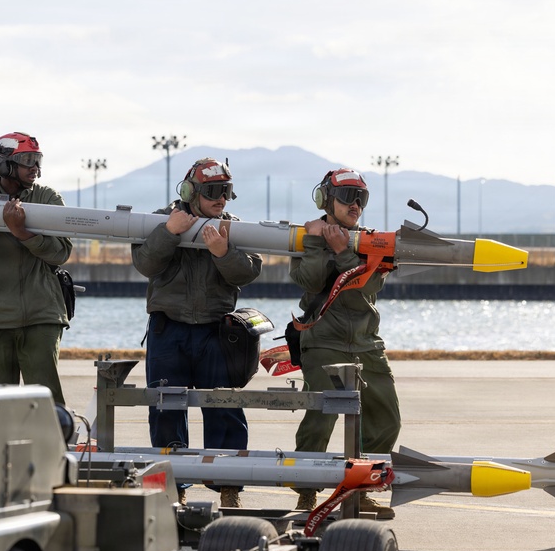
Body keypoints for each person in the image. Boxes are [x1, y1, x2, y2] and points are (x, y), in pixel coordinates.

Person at [131, 158, 262, 507]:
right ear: (191, 192)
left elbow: (247, 273)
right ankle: (174, 489)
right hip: (168, 329)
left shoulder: (232, 228)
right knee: (165, 408)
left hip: (214, 332)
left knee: (223, 407)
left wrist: (223, 251)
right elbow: (144, 263)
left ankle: (229, 485)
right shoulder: (161, 220)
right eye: (213, 192)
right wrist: (169, 233)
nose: (221, 199)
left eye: (226, 192)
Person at [289, 168, 401, 519]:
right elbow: (307, 278)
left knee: (386, 419)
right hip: (324, 341)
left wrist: (344, 251)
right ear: (326, 200)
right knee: (321, 418)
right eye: (347, 197)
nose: (355, 205)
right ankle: (306, 493)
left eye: (361, 198)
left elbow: (365, 289)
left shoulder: (372, 241)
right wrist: (319, 243)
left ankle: (360, 489)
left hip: (366, 343)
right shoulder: (308, 237)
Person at [0, 132, 72, 405]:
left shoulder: (47, 198)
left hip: (41, 316)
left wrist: (21, 232)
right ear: (5, 163)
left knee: (45, 403)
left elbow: (61, 253)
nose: (35, 168)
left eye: (38, 161)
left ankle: (53, 447)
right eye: (28, 160)